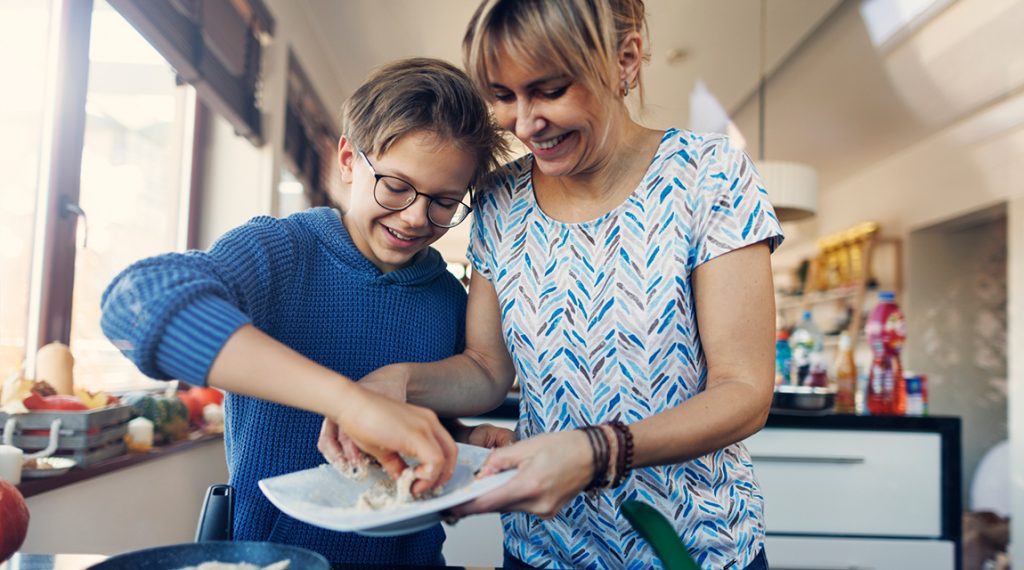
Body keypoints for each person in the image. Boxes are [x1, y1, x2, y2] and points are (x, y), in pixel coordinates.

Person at [321, 1, 784, 568]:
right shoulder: (498, 198)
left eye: (550, 90)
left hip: (694, 545)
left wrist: (598, 451)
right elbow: (487, 370)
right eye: (504, 95)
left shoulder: (709, 175)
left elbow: (743, 391)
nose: (523, 122)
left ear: (625, 61)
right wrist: (397, 384)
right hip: (545, 549)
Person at [100, 58, 512, 566]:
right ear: (346, 160)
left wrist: (459, 443)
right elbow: (136, 302)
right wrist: (348, 401)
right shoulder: (281, 251)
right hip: (274, 558)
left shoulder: (449, 299)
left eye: (445, 202)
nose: (416, 217)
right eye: (397, 186)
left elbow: (399, 440)